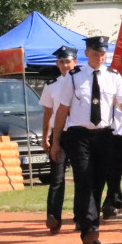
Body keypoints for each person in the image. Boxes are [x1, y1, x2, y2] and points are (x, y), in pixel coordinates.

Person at [50, 36, 122, 244]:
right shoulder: (73, 77)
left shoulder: (114, 77)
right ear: (87, 52)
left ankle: (86, 221)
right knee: (84, 178)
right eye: (96, 53)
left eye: (103, 54)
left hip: (104, 135)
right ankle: (90, 228)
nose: (100, 57)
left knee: (99, 181)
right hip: (78, 134)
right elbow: (62, 111)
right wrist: (56, 141)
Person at [39, 46, 78, 232]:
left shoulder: (82, 80)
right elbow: (47, 113)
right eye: (61, 62)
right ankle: (53, 217)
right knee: (57, 178)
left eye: (67, 61)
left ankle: (81, 217)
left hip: (78, 133)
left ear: (75, 62)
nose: (65, 65)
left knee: (82, 177)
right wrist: (45, 137)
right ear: (57, 63)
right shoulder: (51, 84)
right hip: (59, 134)